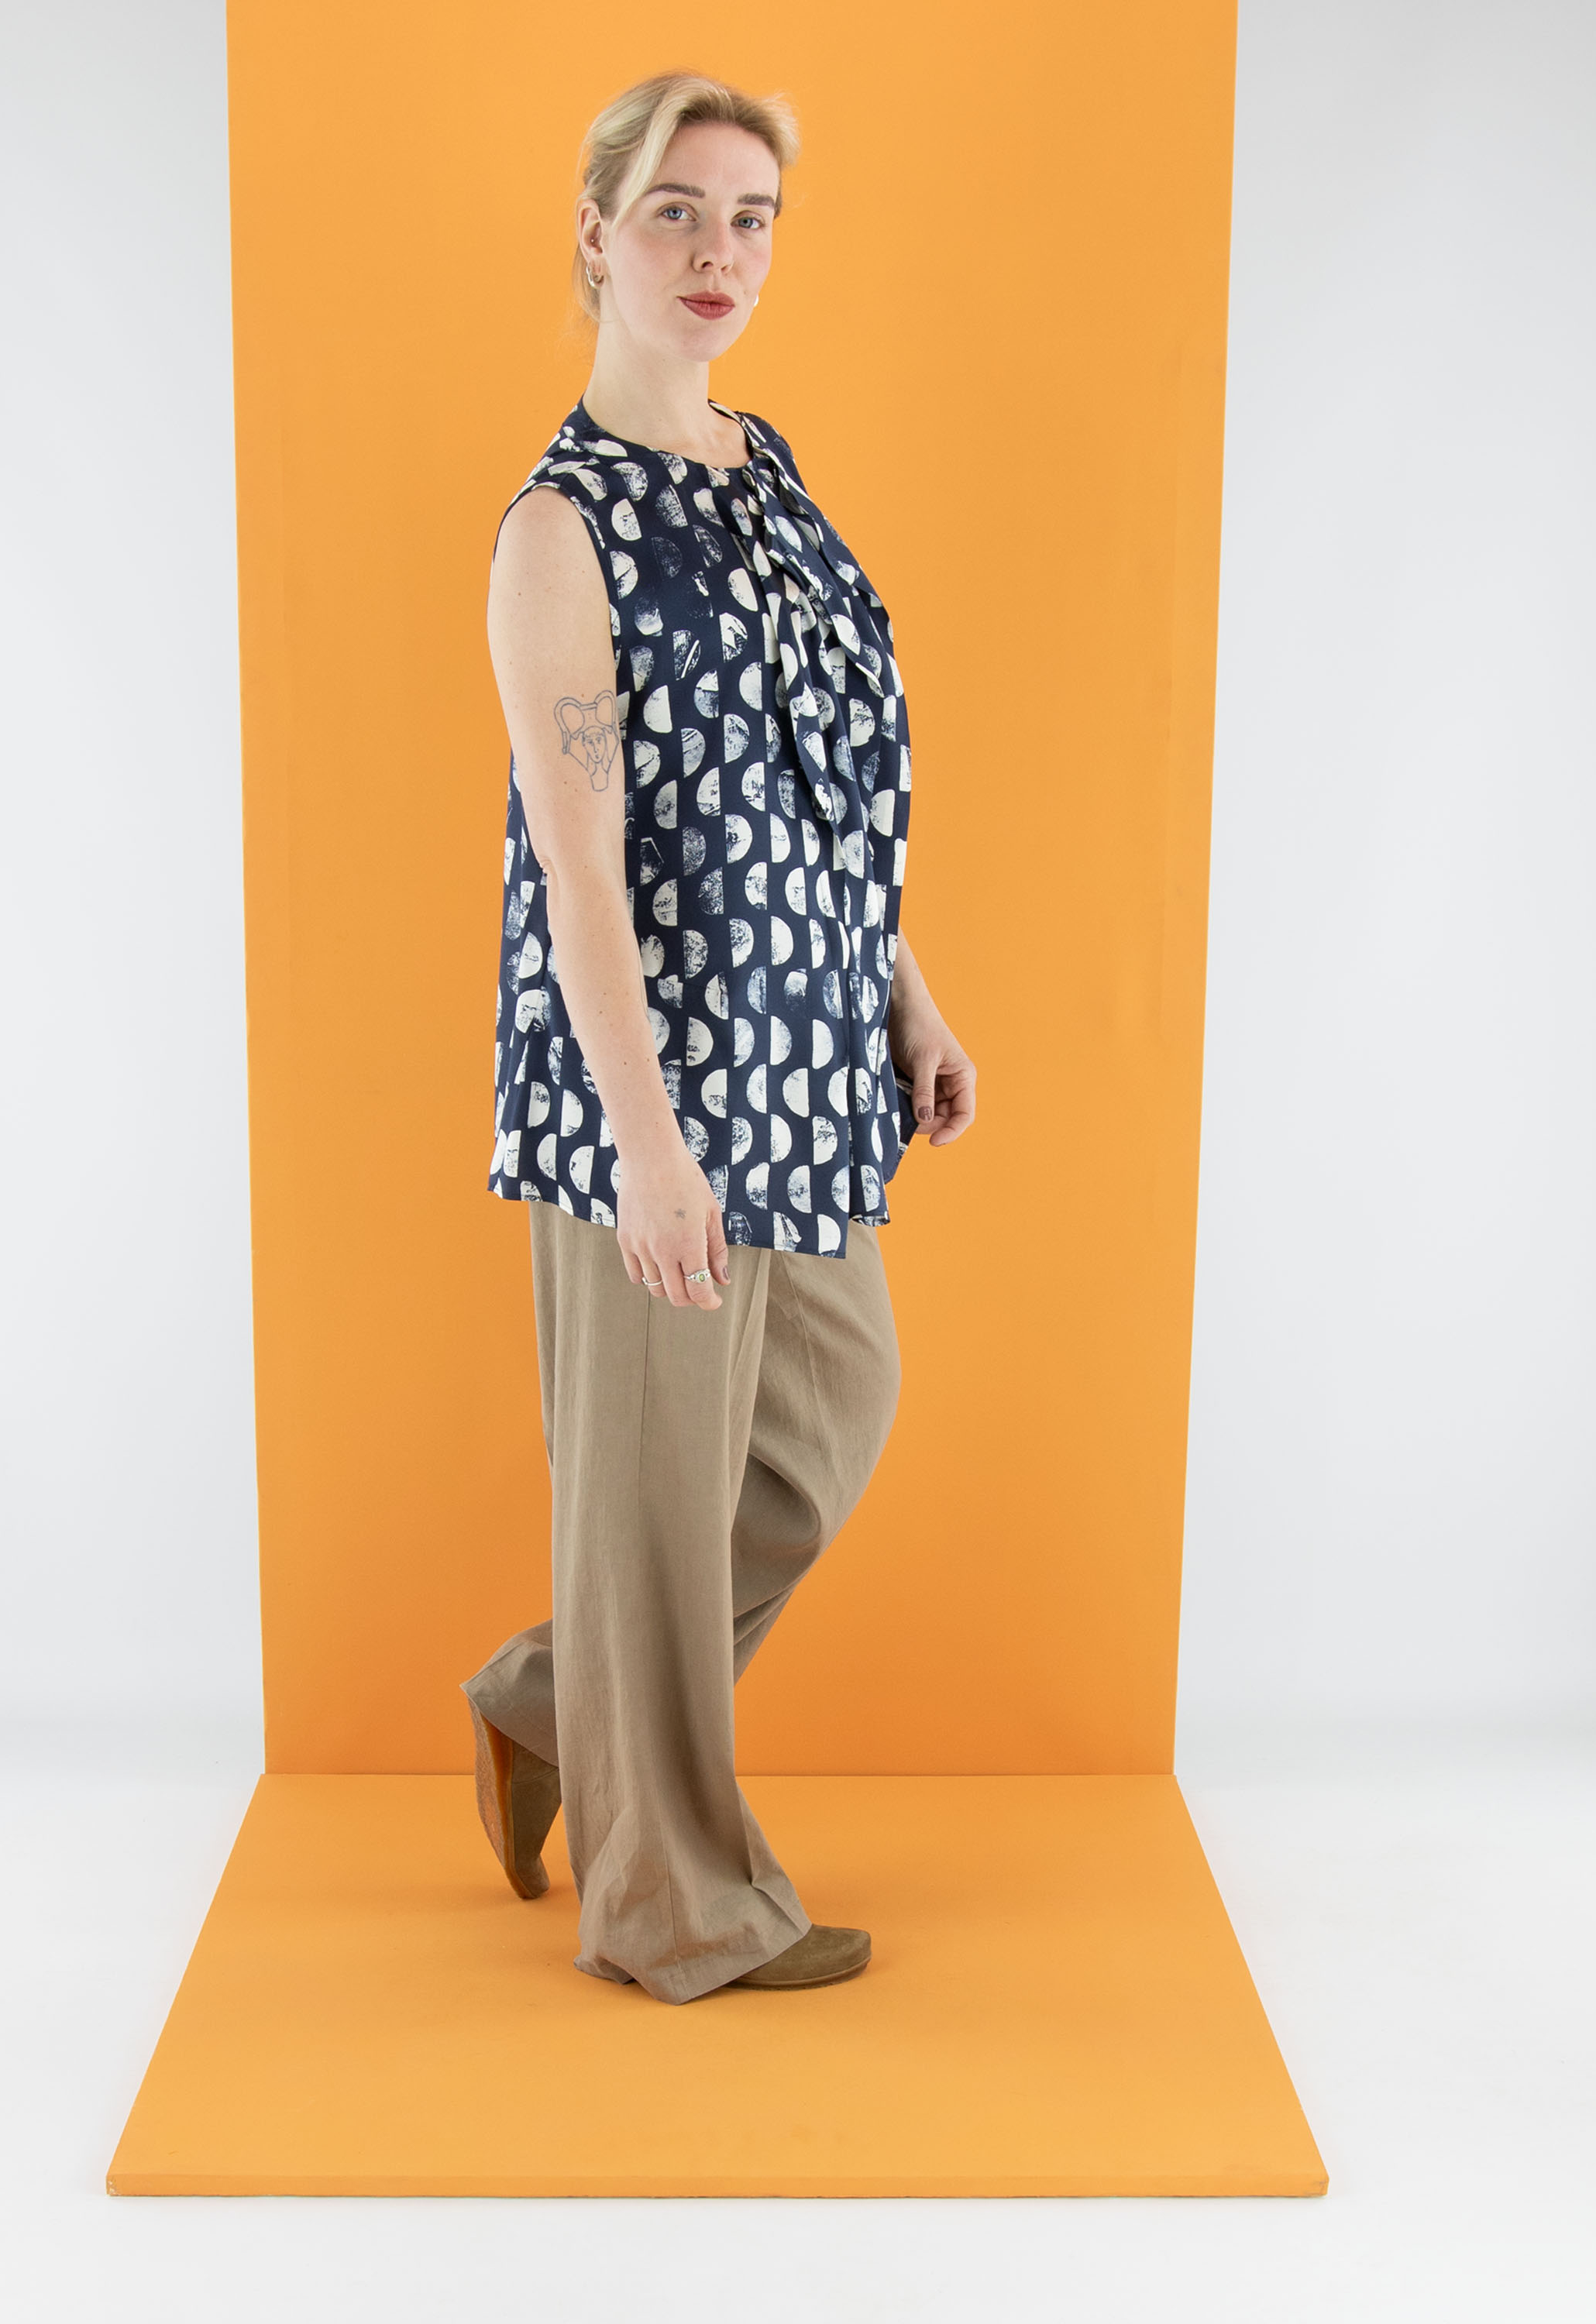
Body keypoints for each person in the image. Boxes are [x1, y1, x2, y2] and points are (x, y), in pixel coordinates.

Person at [461, 71, 977, 2006]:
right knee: (652, 1498)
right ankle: (671, 1901)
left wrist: (902, 989)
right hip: (655, 1087)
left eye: (750, 216)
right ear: (597, 233)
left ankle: (547, 1701)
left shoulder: (766, 469)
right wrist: (648, 1143)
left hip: (808, 1057)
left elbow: (813, 783)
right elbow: (580, 868)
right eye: (676, 210)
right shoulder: (558, 533)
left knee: (830, 1414)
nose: (718, 252)